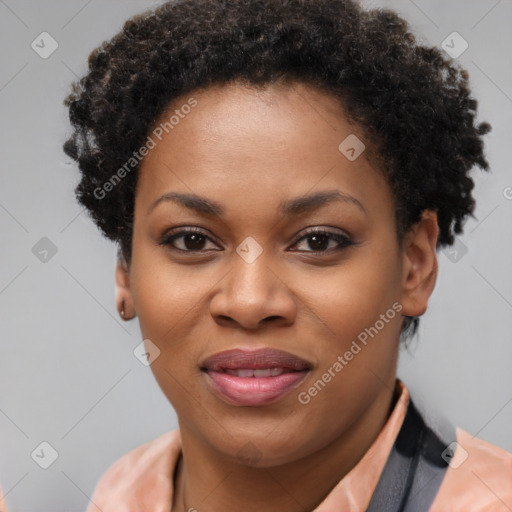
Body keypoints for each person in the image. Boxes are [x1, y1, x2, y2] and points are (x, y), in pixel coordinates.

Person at [61, 0, 511, 510]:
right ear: (126, 272)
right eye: (191, 240)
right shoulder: (124, 493)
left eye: (318, 241)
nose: (250, 302)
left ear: (415, 265)